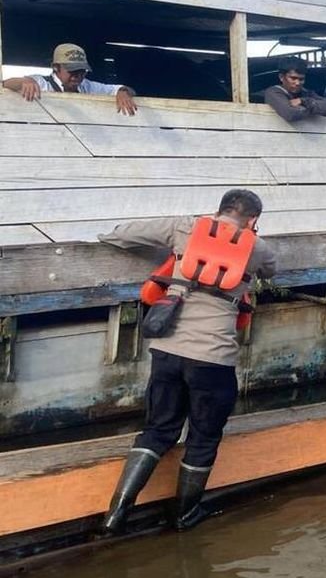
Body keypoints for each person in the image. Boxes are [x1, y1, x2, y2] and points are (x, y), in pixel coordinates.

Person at [97, 189, 277, 534]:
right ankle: (184, 515)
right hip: (213, 360)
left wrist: (108, 237)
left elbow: (123, 234)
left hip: (167, 351)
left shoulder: (185, 227)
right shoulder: (257, 247)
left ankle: (115, 514)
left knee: (159, 430)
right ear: (253, 221)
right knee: (203, 436)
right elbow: (271, 271)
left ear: (218, 210)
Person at [2, 43, 137, 115]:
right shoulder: (42, 83)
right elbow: (5, 84)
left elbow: (123, 88)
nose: (77, 76)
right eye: (72, 71)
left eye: (82, 71)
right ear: (56, 67)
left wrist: (123, 92)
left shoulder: (87, 85)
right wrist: (25, 81)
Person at [263, 57, 326, 122]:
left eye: (301, 79)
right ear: (281, 77)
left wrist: (303, 101)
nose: (297, 83)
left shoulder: (306, 93)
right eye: (293, 78)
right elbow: (291, 114)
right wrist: (316, 108)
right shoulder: (273, 92)